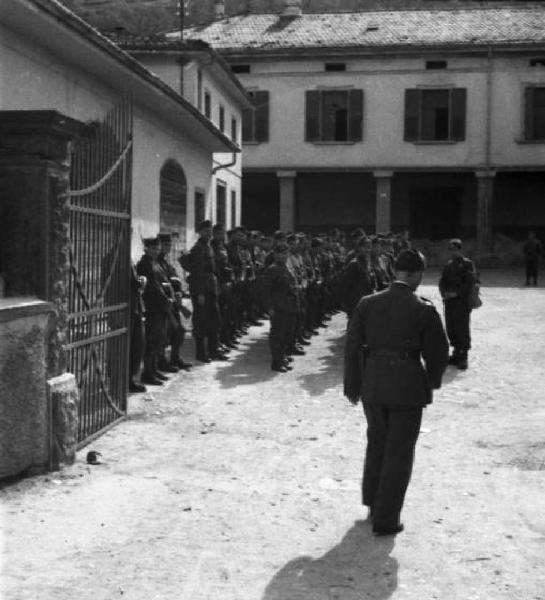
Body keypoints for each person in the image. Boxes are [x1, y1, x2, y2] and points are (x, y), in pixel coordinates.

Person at [344, 249, 449, 536]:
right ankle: (386, 519)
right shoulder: (423, 308)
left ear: (394, 272)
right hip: (407, 387)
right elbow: (439, 353)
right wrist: (430, 381)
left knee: (377, 443)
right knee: (399, 453)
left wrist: (352, 386)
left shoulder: (367, 303)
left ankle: (372, 504)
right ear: (415, 274)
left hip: (374, 384)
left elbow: (352, 347)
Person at [187, 220, 226, 363]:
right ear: (200, 232)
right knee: (201, 322)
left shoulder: (208, 247)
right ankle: (201, 353)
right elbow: (197, 272)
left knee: (214, 320)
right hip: (202, 289)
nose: (208, 234)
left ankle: (214, 351)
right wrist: (200, 293)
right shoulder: (198, 248)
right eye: (206, 231)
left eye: (210, 231)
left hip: (211, 288)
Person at [136, 237, 173, 385]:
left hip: (161, 306)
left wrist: (169, 296)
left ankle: (154, 368)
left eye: (157, 249)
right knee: (151, 341)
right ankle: (147, 373)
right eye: (153, 248)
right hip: (152, 307)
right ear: (146, 249)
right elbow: (152, 287)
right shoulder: (143, 265)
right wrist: (165, 299)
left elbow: (164, 282)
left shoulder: (156, 263)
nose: (156, 251)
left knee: (159, 339)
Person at [438, 238, 478, 370]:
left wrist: (456, 293)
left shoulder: (467, 264)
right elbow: (442, 281)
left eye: (454, 250)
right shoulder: (448, 265)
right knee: (451, 327)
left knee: (462, 327)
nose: (452, 252)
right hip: (449, 301)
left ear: (460, 250)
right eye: (450, 250)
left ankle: (463, 355)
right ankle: (456, 352)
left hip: (461, 302)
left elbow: (469, 282)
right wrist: (444, 292)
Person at [261, 242, 299, 372]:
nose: (283, 256)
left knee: (287, 335)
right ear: (275, 255)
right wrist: (269, 308)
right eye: (280, 254)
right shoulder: (272, 269)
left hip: (289, 307)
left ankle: (282, 358)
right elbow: (265, 291)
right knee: (278, 336)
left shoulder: (286, 268)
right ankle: (276, 363)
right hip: (279, 308)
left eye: (285, 254)